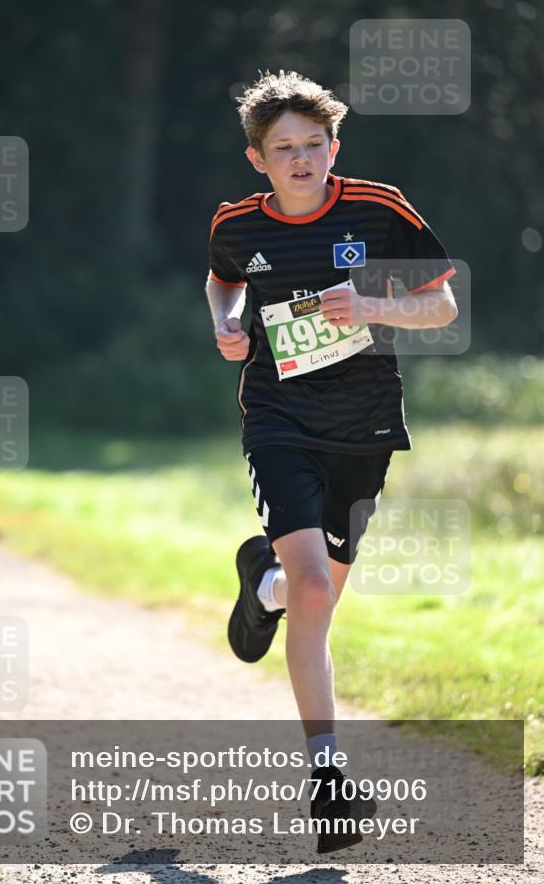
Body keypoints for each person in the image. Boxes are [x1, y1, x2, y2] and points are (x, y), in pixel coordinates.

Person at [205, 69, 457, 855]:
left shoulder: (378, 209)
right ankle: (327, 780)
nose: (302, 159)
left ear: (333, 147)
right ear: (258, 159)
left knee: (310, 600)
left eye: (313, 145)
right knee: (315, 588)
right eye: (284, 149)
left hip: (366, 431)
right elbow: (221, 285)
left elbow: (443, 304)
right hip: (278, 419)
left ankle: (262, 585)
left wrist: (377, 305)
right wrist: (230, 324)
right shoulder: (238, 224)